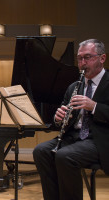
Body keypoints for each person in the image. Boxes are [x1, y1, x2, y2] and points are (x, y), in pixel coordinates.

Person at [33, 39, 109, 200]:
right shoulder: (74, 86)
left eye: (87, 57)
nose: (82, 63)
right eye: (79, 58)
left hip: (99, 140)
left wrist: (94, 106)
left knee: (64, 156)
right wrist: (58, 117)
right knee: (41, 151)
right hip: (73, 138)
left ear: (102, 58)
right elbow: (60, 117)